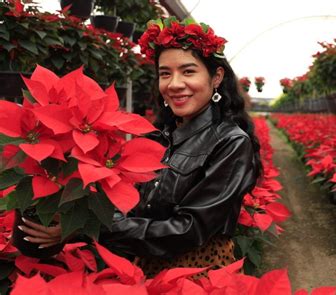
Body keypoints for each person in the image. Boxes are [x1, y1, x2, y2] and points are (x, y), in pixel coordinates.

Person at [17, 17, 262, 277]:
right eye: (165, 73)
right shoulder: (162, 135)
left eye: (188, 71)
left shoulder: (231, 143)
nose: (174, 84)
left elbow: (189, 230)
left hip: (195, 274)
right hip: (140, 265)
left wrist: (90, 227)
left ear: (216, 78)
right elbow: (133, 206)